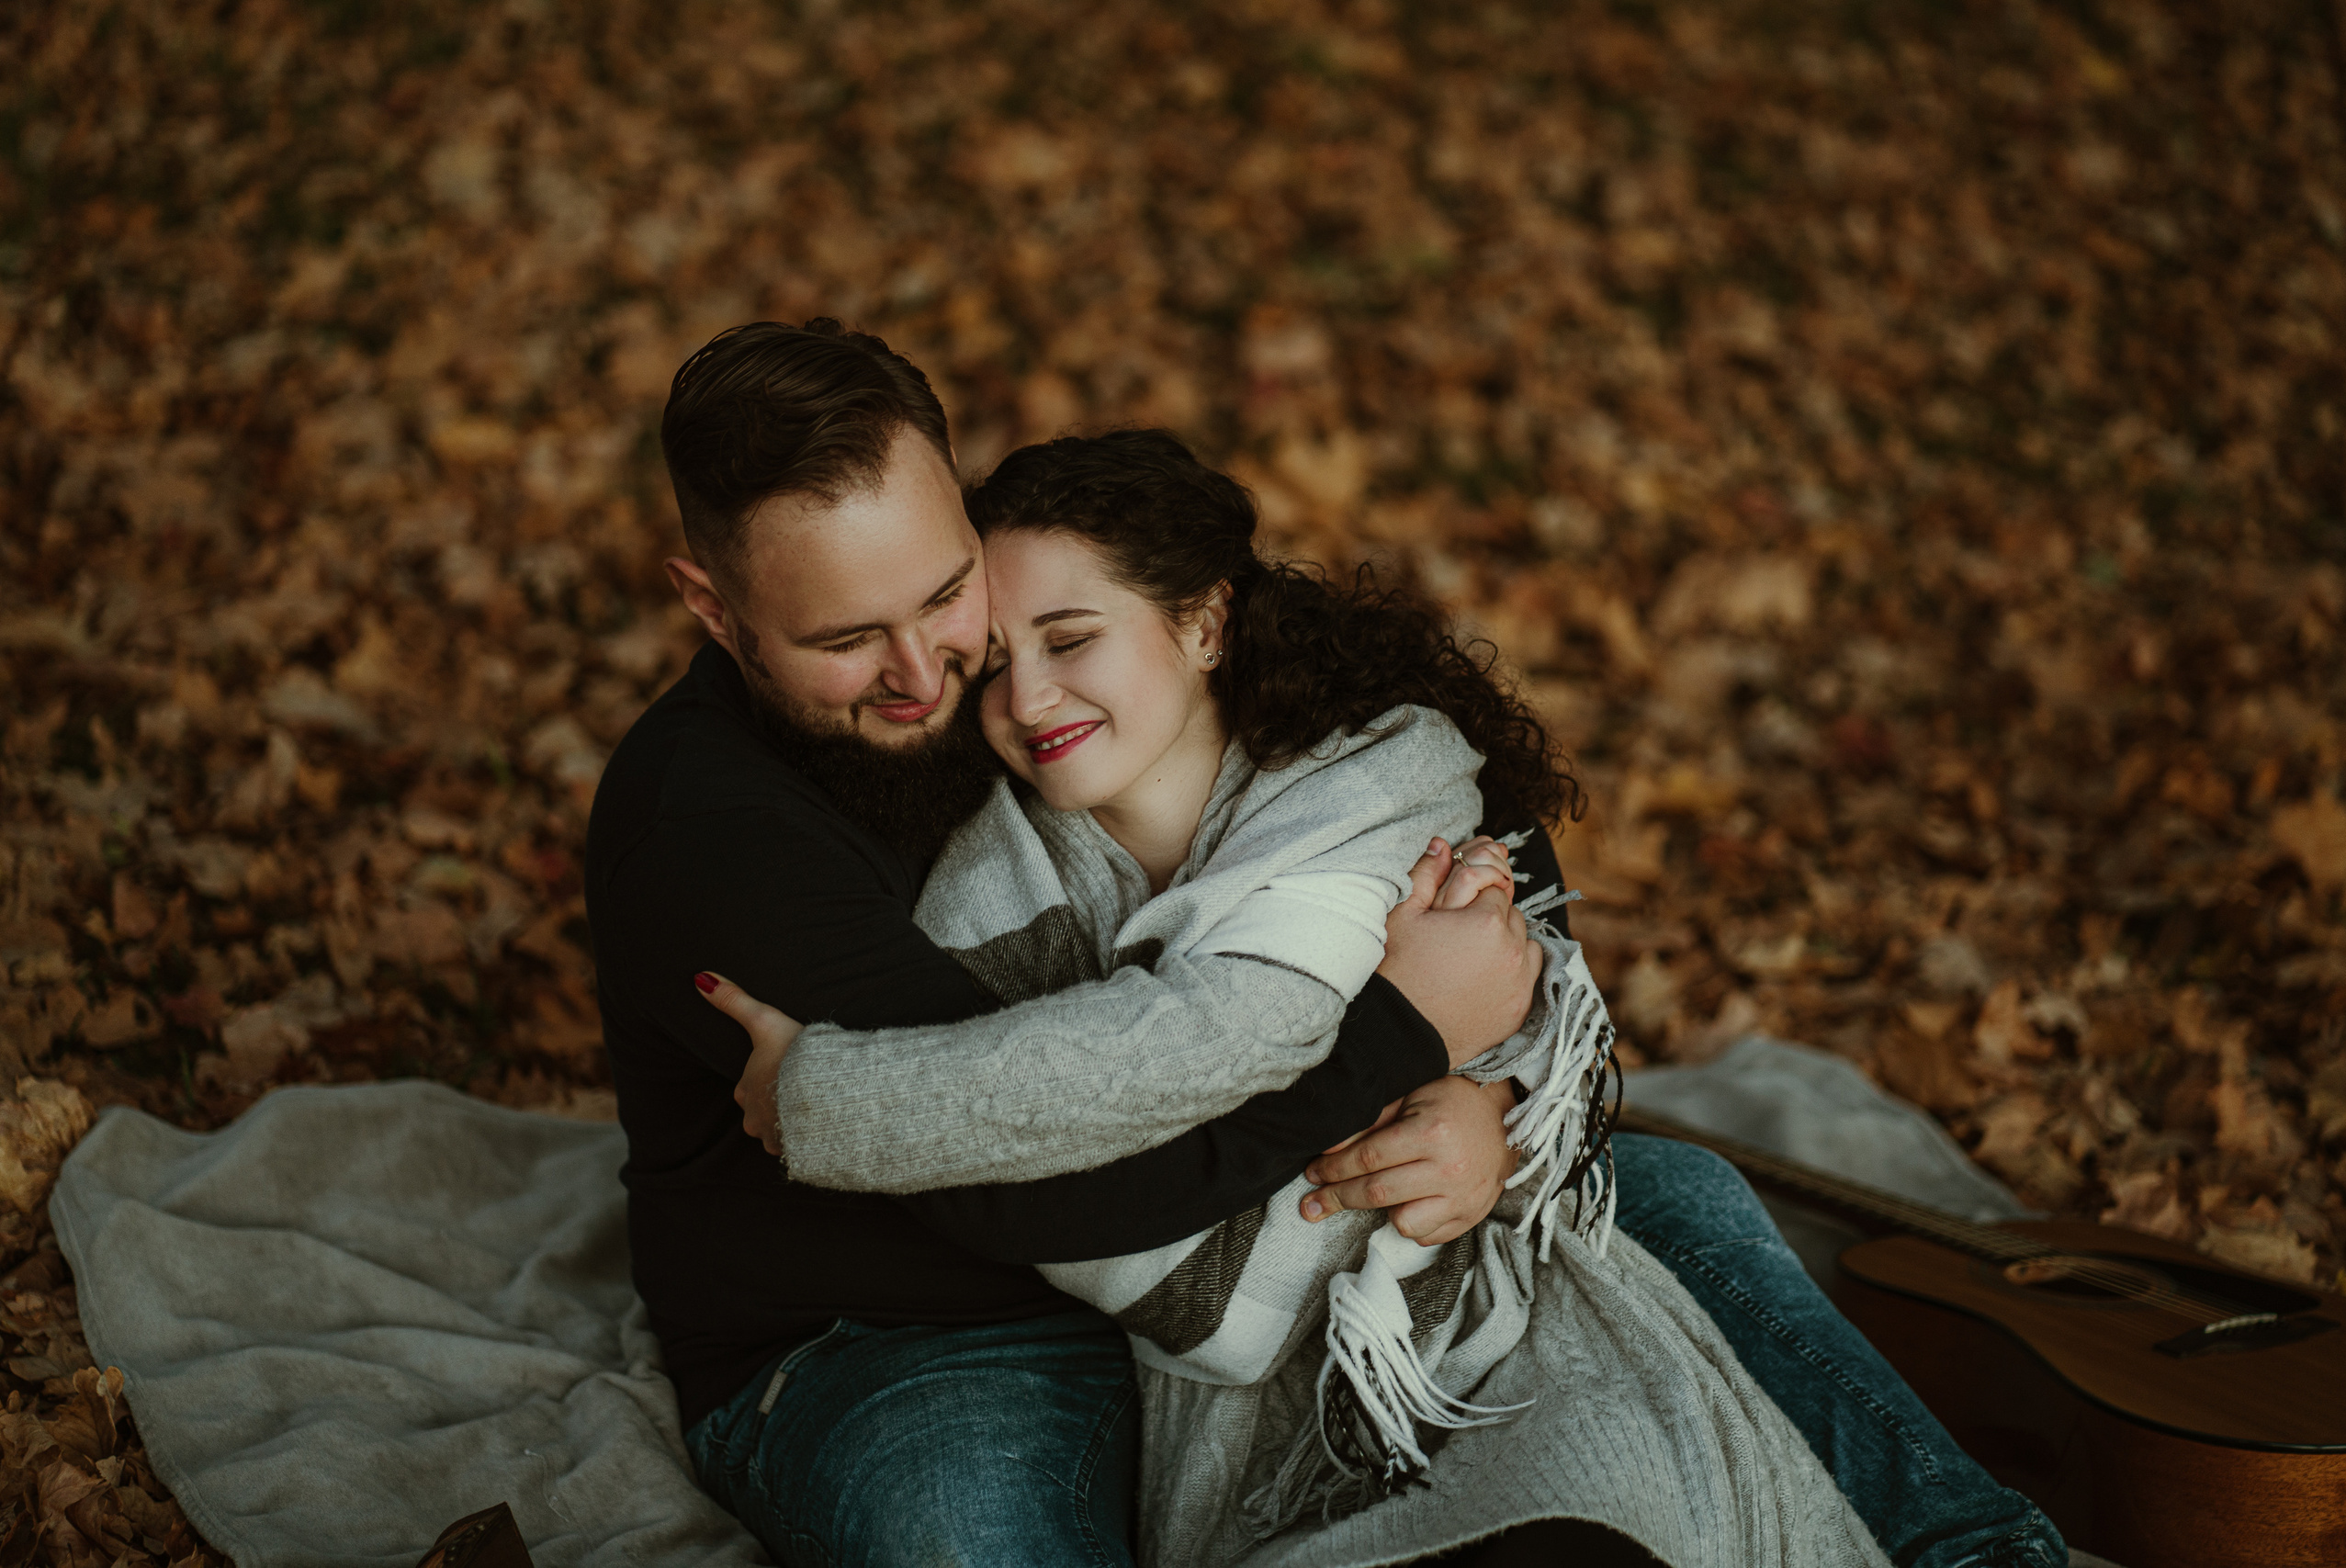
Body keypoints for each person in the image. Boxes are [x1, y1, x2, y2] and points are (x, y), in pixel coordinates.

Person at [590, 318, 2066, 1568]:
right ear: (715, 610)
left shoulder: (1021, 621)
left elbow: (1388, 764)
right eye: (847, 642)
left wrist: (1482, 1090)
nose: (930, 674)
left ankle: (1980, 1551)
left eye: (938, 595)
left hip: (1230, 1217)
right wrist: (1396, 1042)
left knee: (1661, 1192)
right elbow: (1028, 1183)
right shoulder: (708, 831)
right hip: (903, 1331)